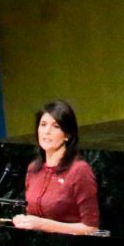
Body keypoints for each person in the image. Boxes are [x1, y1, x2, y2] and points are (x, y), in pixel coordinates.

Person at [11, 99, 100, 234]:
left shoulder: (79, 170)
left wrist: (42, 225)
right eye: (43, 125)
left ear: (67, 135)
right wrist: (24, 221)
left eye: (56, 126)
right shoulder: (33, 168)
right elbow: (33, 216)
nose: (47, 131)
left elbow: (91, 228)